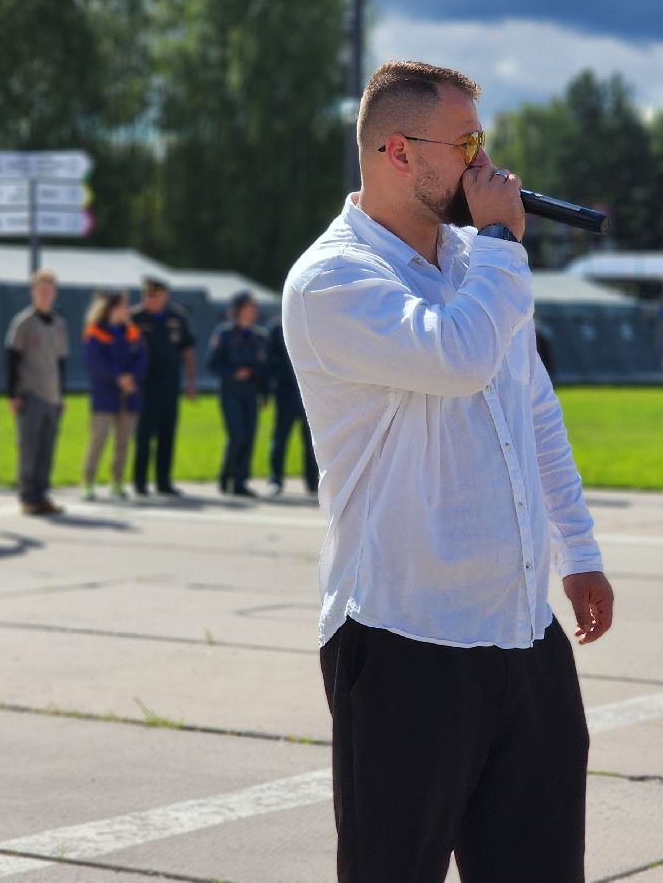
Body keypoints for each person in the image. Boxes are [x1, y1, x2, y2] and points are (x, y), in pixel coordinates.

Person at [281, 59, 614, 883]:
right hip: (404, 637)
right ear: (398, 151)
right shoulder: (333, 280)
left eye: (483, 141)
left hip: (519, 630)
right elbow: (457, 355)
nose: (485, 165)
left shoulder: (478, 265)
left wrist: (579, 550)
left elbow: (534, 408)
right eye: (464, 142)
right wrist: (502, 239)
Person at [5, 268, 70, 515]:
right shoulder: (24, 322)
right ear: (33, 292)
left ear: (54, 293)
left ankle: (42, 495)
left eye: (49, 290)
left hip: (52, 396)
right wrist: (12, 394)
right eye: (40, 289)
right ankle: (27, 497)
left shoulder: (59, 324)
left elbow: (61, 362)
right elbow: (12, 358)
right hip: (30, 394)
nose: (45, 294)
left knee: (47, 450)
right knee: (29, 449)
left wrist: (61, 395)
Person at [129, 277, 198, 497]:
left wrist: (190, 382)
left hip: (169, 382)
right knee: (144, 434)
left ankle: (163, 481)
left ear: (164, 296)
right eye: (147, 295)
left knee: (167, 432)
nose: (150, 300)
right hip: (145, 384)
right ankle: (140, 482)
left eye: (155, 295)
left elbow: (187, 351)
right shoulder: (134, 318)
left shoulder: (177, 317)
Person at [80, 290, 147, 501]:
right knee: (98, 440)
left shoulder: (132, 331)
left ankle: (116, 483)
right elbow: (94, 362)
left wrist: (131, 378)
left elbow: (143, 358)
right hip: (104, 396)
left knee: (123, 442)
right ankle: (87, 483)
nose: (127, 309)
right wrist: (118, 378)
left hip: (129, 395)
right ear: (112, 308)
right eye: (124, 305)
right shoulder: (95, 331)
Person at [207, 291, 266, 497]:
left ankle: (240, 481)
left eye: (254, 307)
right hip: (230, 391)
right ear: (239, 309)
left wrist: (263, 392)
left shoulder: (258, 336)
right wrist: (233, 373)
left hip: (250, 392)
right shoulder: (225, 333)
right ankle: (226, 475)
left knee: (249, 436)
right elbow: (212, 364)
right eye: (249, 307)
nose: (253, 311)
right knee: (237, 435)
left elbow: (264, 367)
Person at [264, 316, 318, 496]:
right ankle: (275, 479)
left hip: (309, 393)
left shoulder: (311, 325)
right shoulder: (277, 329)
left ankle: (311, 482)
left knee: (311, 441)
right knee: (280, 438)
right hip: (285, 393)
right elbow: (269, 359)